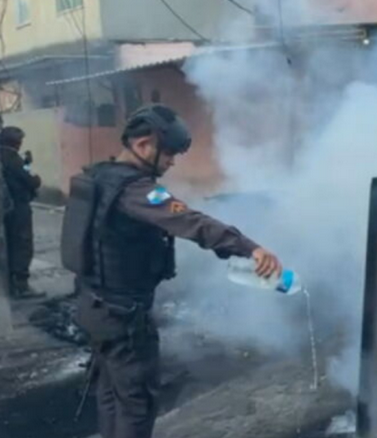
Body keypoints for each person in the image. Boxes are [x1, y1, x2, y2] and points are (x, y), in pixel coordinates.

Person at [66, 104, 281, 438]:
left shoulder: (99, 175)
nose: (171, 161)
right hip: (123, 316)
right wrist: (249, 247)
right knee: (137, 402)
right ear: (142, 145)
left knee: (111, 392)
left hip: (94, 304)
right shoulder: (136, 190)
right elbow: (188, 220)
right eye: (168, 153)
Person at [0, 126, 43, 298]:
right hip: (18, 207)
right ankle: (21, 286)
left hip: (5, 209)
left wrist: (26, 164)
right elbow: (30, 181)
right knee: (22, 245)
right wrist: (35, 177)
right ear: (15, 142)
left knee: (9, 244)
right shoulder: (12, 157)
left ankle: (10, 284)